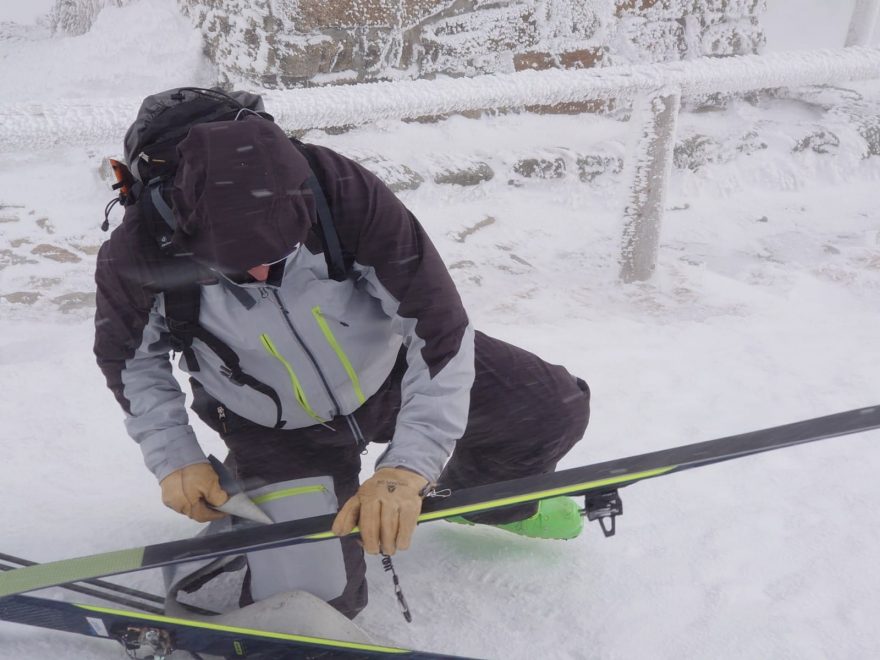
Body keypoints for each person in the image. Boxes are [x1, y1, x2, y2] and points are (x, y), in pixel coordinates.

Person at [94, 101, 590, 619]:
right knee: (311, 605)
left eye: (276, 255)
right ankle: (268, 505)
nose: (262, 274)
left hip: (388, 367)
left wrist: (406, 469)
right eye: (239, 268)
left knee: (550, 407)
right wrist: (176, 457)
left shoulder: (340, 191)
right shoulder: (138, 251)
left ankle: (478, 498)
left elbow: (438, 326)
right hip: (272, 423)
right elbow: (130, 363)